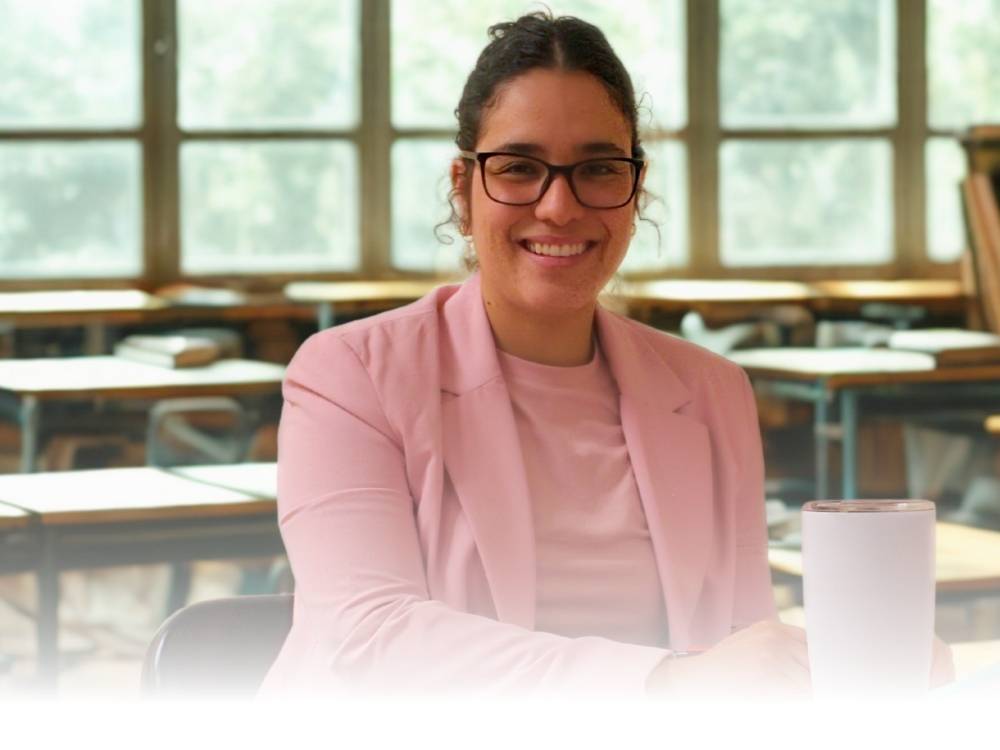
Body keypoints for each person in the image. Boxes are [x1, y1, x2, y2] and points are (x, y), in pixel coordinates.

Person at [260, 12, 942, 697]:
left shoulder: (712, 391)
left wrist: (849, 665)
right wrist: (666, 686)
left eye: (598, 169)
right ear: (463, 190)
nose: (559, 207)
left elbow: (739, 643)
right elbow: (372, 636)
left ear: (634, 190)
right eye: (519, 168)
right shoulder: (351, 374)